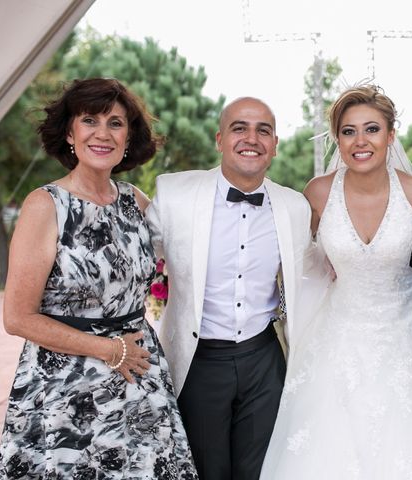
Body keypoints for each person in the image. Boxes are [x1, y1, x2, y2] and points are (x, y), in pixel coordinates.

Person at [260, 85, 412, 479]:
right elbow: (295, 260)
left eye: (372, 129)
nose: (360, 141)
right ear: (338, 139)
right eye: (348, 131)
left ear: (391, 135)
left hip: (407, 330)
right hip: (339, 331)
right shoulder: (317, 193)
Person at [0, 78, 198, 478]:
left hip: (139, 377)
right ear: (70, 133)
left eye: (116, 123)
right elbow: (17, 317)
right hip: (66, 388)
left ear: (129, 137)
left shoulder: (135, 201)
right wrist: (108, 350)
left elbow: (187, 257)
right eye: (90, 120)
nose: (102, 133)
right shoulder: (45, 205)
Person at [146, 97, 311, 480]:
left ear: (274, 145)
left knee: (261, 469)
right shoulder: (174, 195)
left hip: (264, 358)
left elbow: (315, 268)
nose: (251, 138)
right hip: (197, 358)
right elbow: (136, 255)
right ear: (220, 139)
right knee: (206, 469)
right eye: (240, 128)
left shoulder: (295, 207)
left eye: (263, 130)